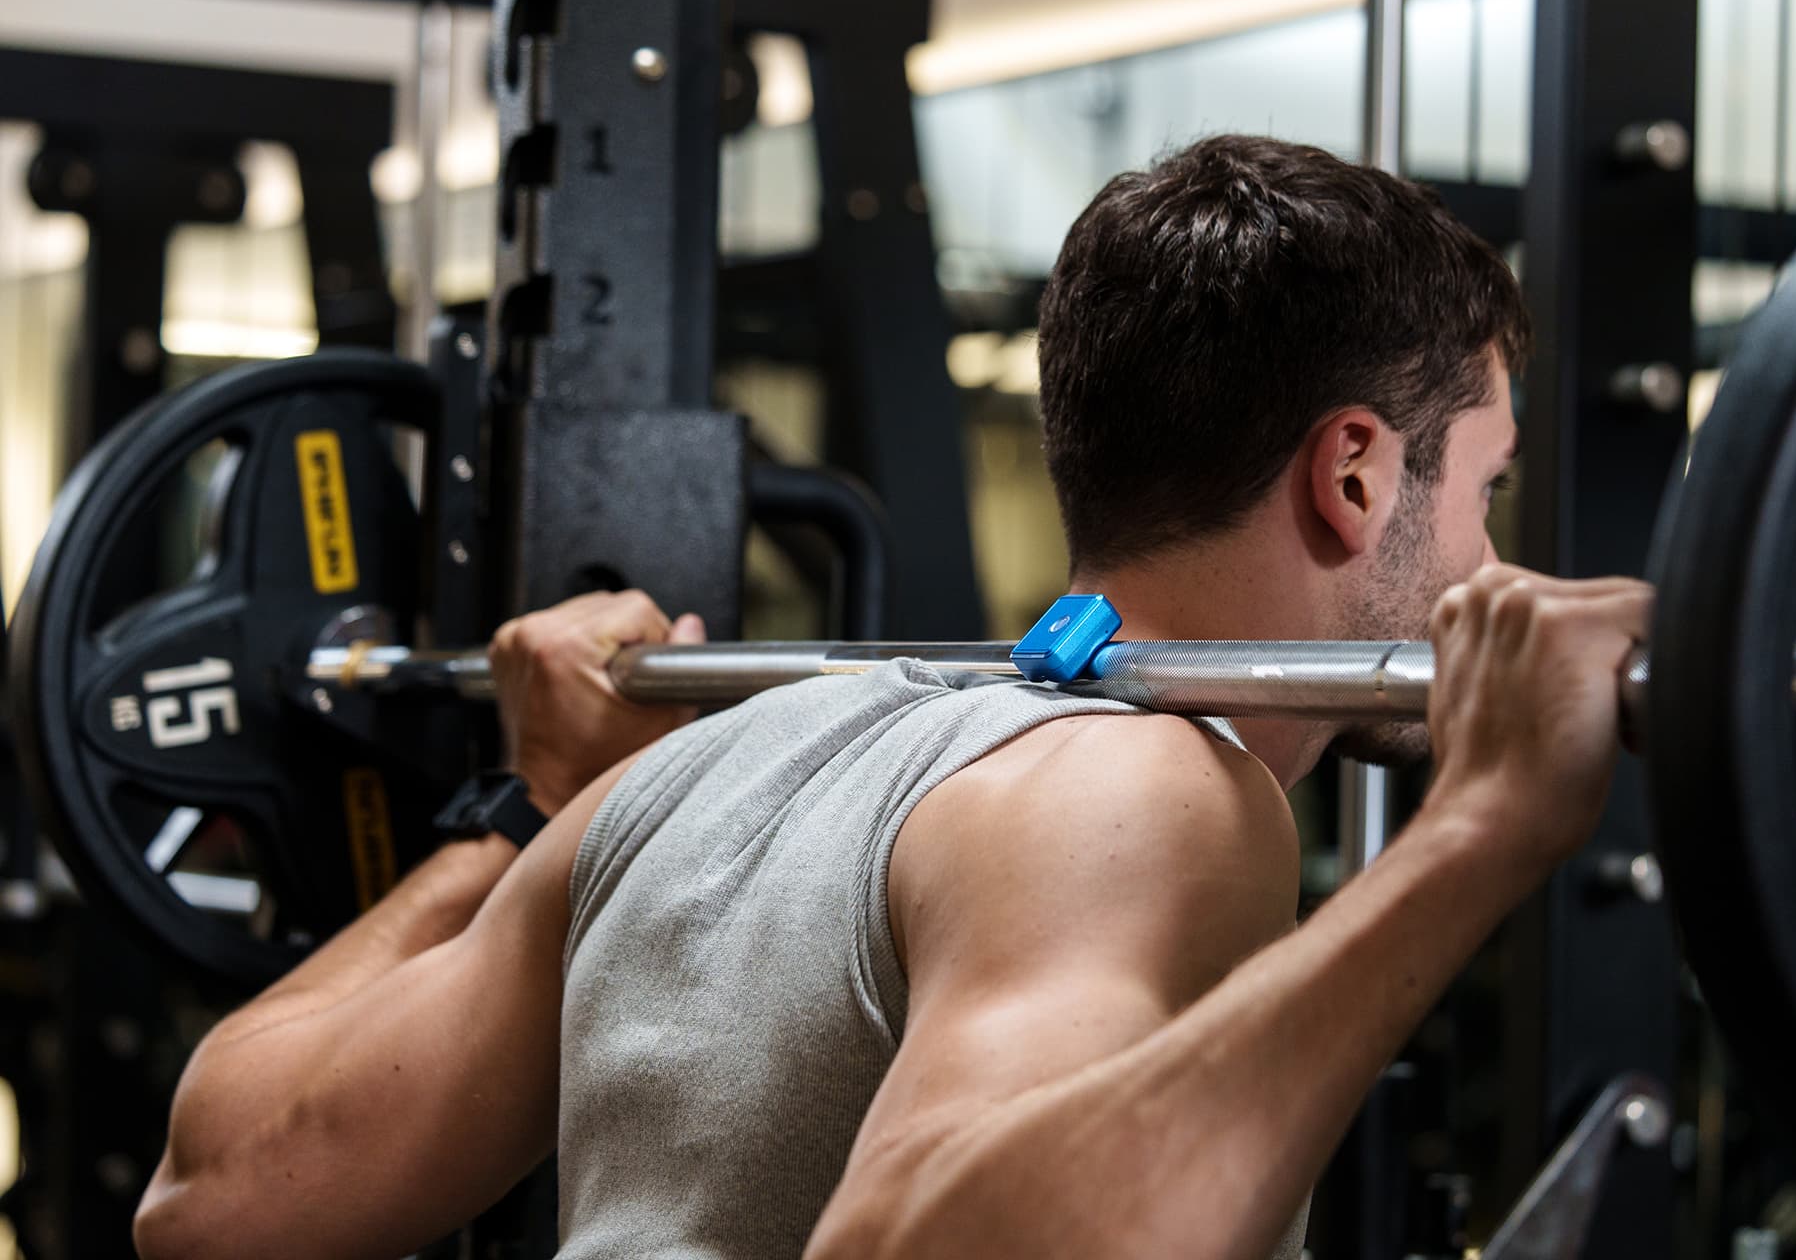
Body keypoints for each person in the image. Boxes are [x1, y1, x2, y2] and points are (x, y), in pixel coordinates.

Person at [132, 135, 1649, 1260]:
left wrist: (523, 808)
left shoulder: (702, 771)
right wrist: (1482, 832)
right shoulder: (1144, 791)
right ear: (1356, 474)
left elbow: (218, 1191)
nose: (1491, 563)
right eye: (1486, 490)